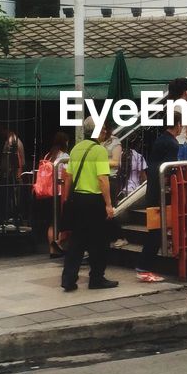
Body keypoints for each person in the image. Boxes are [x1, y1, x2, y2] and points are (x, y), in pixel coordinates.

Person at [59, 117, 118, 292]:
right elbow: (102, 179)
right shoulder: (99, 151)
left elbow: (68, 177)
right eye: (102, 130)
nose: (105, 132)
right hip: (94, 201)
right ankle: (97, 278)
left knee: (76, 241)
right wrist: (108, 204)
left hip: (77, 199)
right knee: (100, 242)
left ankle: (68, 279)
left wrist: (69, 198)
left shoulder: (76, 148)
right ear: (96, 131)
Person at [138, 112, 181, 280]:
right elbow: (170, 168)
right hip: (160, 193)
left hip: (153, 189)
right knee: (155, 231)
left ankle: (144, 265)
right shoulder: (172, 143)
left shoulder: (160, 139)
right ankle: (144, 267)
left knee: (156, 230)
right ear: (177, 124)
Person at [32, 132, 69, 258]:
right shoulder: (64, 156)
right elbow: (67, 174)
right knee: (59, 222)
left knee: (51, 223)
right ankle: (58, 247)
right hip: (59, 193)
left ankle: (52, 250)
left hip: (47, 193)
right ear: (65, 142)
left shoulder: (48, 155)